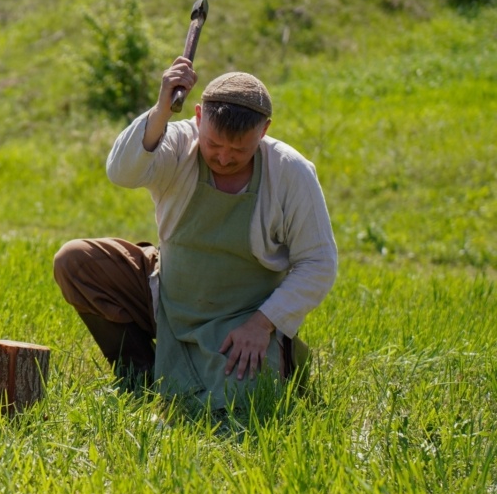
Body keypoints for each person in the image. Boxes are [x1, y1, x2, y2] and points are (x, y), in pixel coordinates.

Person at [53, 57, 337, 409]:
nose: (224, 158)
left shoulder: (291, 171)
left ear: (264, 131)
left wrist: (262, 325)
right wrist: (161, 108)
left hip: (240, 322)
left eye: (239, 150)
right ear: (199, 117)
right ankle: (139, 373)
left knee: (240, 404)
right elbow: (121, 172)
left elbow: (319, 263)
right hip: (168, 297)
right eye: (215, 144)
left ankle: (275, 358)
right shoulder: (178, 140)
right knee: (75, 260)